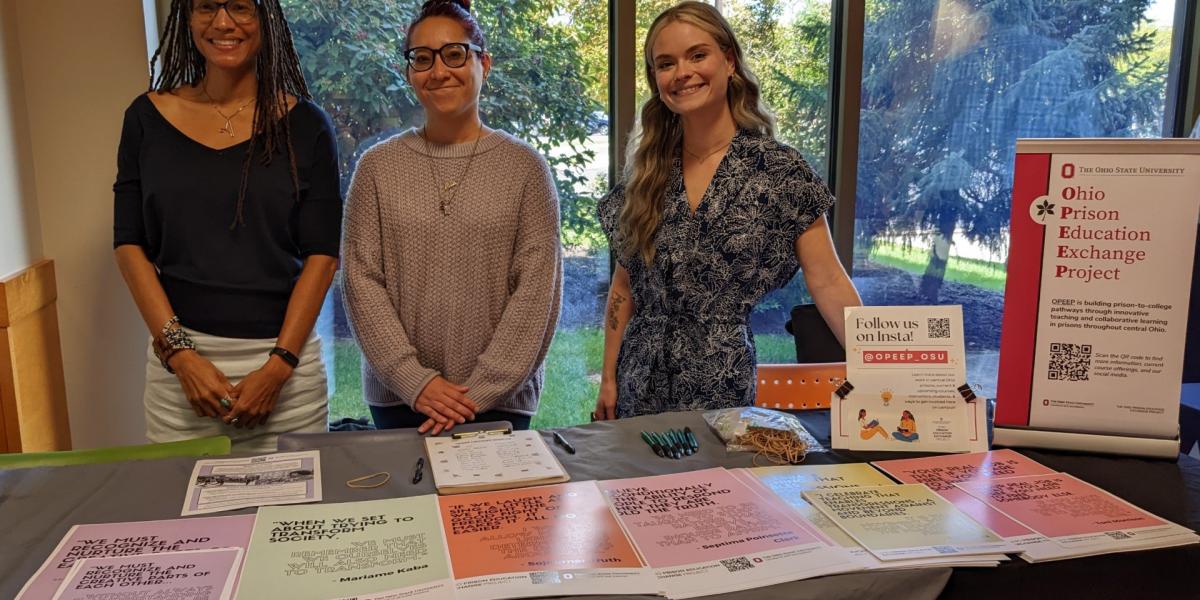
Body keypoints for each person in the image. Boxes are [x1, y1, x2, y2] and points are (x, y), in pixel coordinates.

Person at [594, 2, 862, 419]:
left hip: (723, 379)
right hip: (640, 381)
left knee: (720, 485)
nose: (682, 72)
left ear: (729, 61)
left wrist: (881, 369)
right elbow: (624, 287)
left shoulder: (778, 171)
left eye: (697, 55)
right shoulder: (647, 174)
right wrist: (608, 379)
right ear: (656, 80)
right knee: (640, 485)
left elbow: (828, 280)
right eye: (665, 64)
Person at [113, 0, 341, 453]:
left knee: (288, 521)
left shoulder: (308, 126)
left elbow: (323, 255)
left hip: (287, 378)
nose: (222, 22)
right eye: (206, 7)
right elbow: (128, 244)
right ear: (187, 18)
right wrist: (179, 354)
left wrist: (278, 367)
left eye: (239, 7)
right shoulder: (145, 118)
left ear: (266, 19)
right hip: (180, 380)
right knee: (184, 522)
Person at [342, 0, 562, 435]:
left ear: (484, 63)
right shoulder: (376, 167)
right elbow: (360, 281)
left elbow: (538, 292)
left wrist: (477, 393)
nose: (438, 71)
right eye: (421, 58)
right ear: (409, 72)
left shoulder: (526, 169)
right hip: (399, 397)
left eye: (455, 54)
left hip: (502, 402)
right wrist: (416, 383)